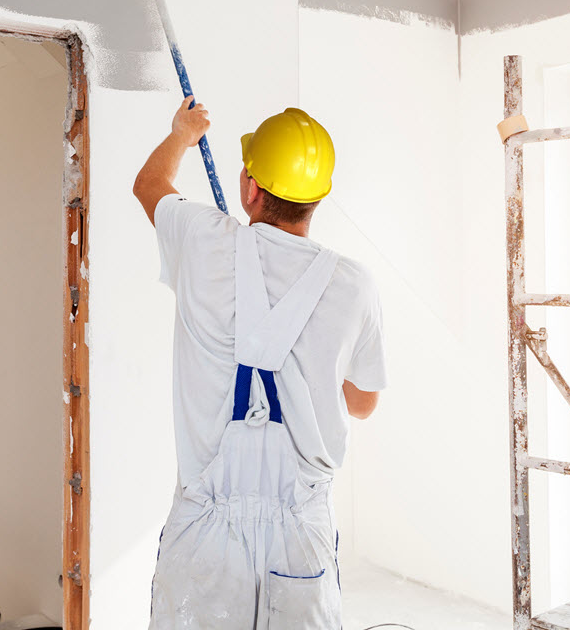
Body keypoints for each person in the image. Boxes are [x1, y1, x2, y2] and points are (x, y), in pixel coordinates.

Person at [133, 96, 388, 630]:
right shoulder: (354, 285)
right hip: (301, 538)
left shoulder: (201, 239)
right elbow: (363, 404)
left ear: (249, 188)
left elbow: (149, 185)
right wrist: (314, 369)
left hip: (206, 534)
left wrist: (183, 133)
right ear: (319, 198)